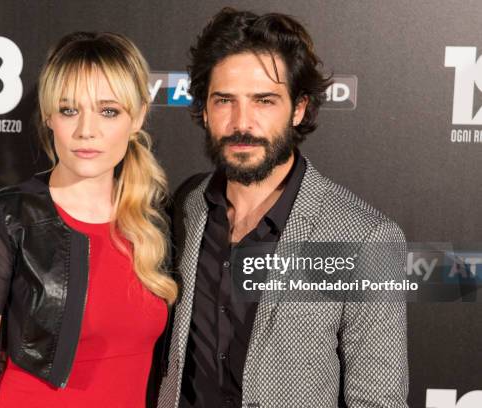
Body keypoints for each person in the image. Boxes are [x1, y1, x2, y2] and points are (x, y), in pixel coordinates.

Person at [158, 8, 408, 408]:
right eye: (225, 100)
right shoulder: (186, 207)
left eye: (264, 101)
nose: (243, 122)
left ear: (298, 109)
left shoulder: (364, 239)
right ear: (204, 109)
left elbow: (378, 400)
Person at [0, 31, 178, 408]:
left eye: (108, 111)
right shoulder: (6, 218)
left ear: (137, 117)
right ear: (48, 116)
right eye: (69, 110)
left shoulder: (156, 221)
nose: (86, 130)